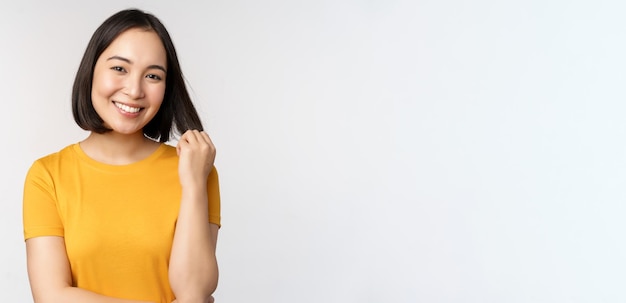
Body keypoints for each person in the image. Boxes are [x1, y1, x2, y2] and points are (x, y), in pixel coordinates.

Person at [22, 8, 220, 303]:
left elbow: (194, 291)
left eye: (153, 75)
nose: (134, 89)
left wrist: (192, 185)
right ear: (91, 71)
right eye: (119, 69)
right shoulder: (47, 175)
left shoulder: (195, 170)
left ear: (166, 88)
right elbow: (51, 296)